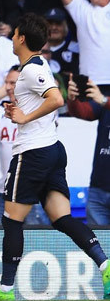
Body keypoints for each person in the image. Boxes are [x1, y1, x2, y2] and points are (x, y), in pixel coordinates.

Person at [0, 13, 110, 301]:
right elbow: (44, 99)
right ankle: (105, 264)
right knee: (61, 218)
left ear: (22, 38)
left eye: (14, 34)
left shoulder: (29, 70)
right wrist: (19, 114)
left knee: (12, 221)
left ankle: (6, 289)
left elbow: (57, 99)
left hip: (33, 153)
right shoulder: (39, 65)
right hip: (51, 149)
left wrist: (23, 116)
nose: (12, 37)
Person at [0, 66, 49, 225]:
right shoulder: (0, 110)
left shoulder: (42, 109)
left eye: (13, 83)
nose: (8, 87)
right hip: (4, 191)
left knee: (36, 248)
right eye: (6, 83)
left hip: (33, 194)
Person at [66, 75, 110, 226]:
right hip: (98, 189)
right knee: (98, 247)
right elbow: (83, 112)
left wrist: (104, 101)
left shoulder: (106, 100)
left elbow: (103, 102)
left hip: (98, 191)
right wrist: (72, 99)